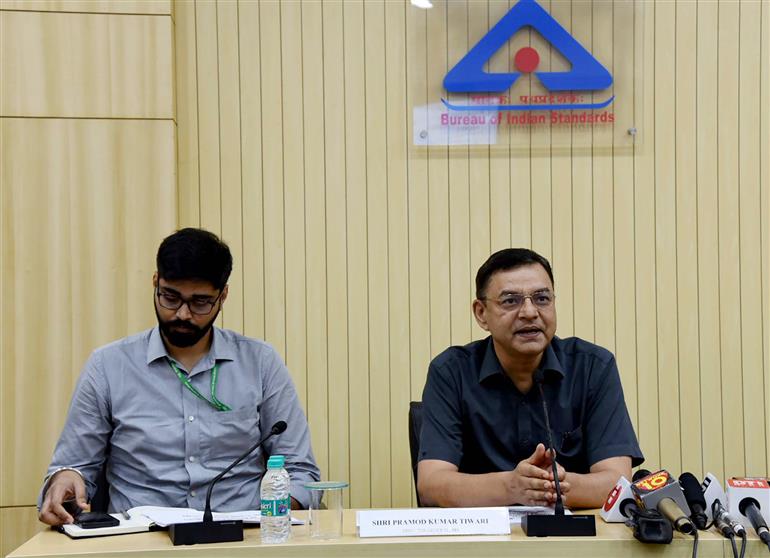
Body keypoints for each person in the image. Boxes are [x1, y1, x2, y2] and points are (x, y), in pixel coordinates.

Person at [38, 228, 320, 526]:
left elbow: (300, 470)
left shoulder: (261, 363)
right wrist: (66, 479)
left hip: (241, 535)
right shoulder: (108, 367)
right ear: (155, 283)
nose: (183, 314)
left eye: (200, 302)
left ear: (222, 295)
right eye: (170, 297)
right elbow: (75, 466)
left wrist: (268, 516)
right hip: (139, 541)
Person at [417, 248, 643, 508]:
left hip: (572, 543)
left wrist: (551, 485)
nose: (529, 312)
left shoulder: (593, 367)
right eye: (511, 301)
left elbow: (617, 481)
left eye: (542, 299)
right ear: (481, 313)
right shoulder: (451, 372)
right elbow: (431, 484)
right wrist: (510, 488)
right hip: (482, 545)